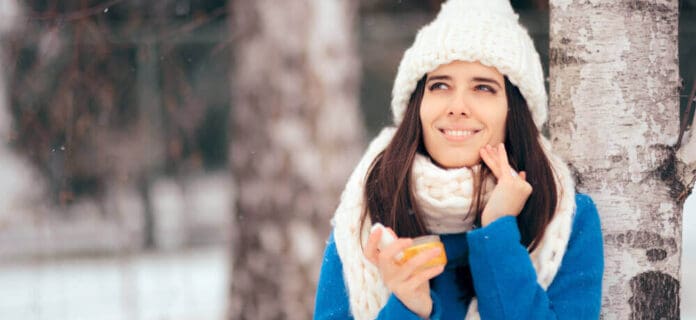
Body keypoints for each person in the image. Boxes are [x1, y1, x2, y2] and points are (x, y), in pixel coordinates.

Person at [314, 0, 604, 319]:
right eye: (440, 85)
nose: (457, 106)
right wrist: (409, 306)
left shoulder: (566, 219)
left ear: (514, 112)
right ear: (417, 107)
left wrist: (498, 232)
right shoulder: (366, 219)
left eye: (483, 87)